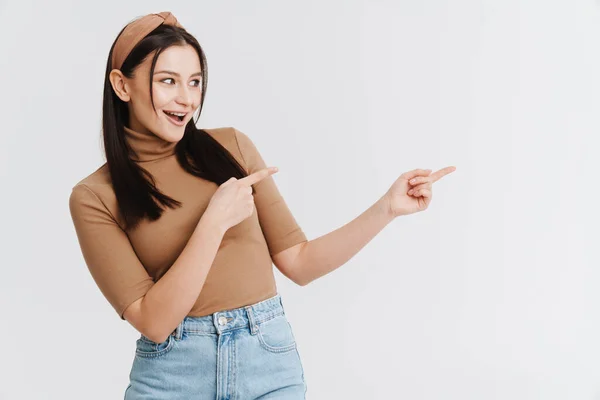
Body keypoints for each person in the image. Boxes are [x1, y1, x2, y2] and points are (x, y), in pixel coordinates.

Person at [68, 11, 456, 400]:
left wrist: (386, 208)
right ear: (122, 85)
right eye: (168, 81)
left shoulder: (232, 148)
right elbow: (154, 322)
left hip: (267, 364)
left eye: (195, 82)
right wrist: (213, 223)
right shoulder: (95, 196)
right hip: (173, 376)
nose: (186, 99)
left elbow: (299, 263)